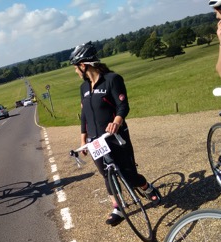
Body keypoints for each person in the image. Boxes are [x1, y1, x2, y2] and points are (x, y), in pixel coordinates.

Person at [69, 41, 161, 226]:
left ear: (83, 65)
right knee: (107, 175)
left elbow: (122, 105)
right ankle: (117, 207)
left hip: (115, 136)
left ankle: (145, 186)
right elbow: (85, 115)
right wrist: (83, 139)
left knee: (128, 174)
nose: (76, 72)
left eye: (76, 68)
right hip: (96, 141)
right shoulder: (84, 88)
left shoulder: (112, 79)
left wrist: (116, 123)